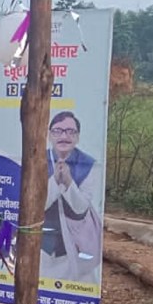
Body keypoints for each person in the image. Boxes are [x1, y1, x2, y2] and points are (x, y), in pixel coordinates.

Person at [41, 111, 104, 284]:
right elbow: (36, 205)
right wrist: (54, 181)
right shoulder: (38, 160)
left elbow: (81, 208)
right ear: (49, 135)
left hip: (74, 247)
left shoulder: (89, 165)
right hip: (42, 247)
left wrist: (68, 182)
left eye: (70, 132)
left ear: (77, 137)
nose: (64, 136)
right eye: (58, 131)